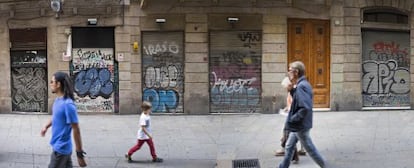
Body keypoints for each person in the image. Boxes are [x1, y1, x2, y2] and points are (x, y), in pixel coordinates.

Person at [278, 61, 326, 168]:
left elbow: (305, 107)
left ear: (296, 72)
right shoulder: (301, 84)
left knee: (311, 149)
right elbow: (299, 100)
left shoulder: (301, 86)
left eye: (290, 70)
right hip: (299, 124)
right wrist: (291, 90)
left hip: (300, 125)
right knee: (289, 145)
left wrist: (293, 119)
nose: (288, 73)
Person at [40, 71, 87, 168]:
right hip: (60, 148)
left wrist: (79, 154)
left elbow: (76, 129)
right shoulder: (58, 100)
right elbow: (55, 117)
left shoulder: (68, 105)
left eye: (52, 82)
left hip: (61, 149)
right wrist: (46, 126)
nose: (51, 84)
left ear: (58, 84)